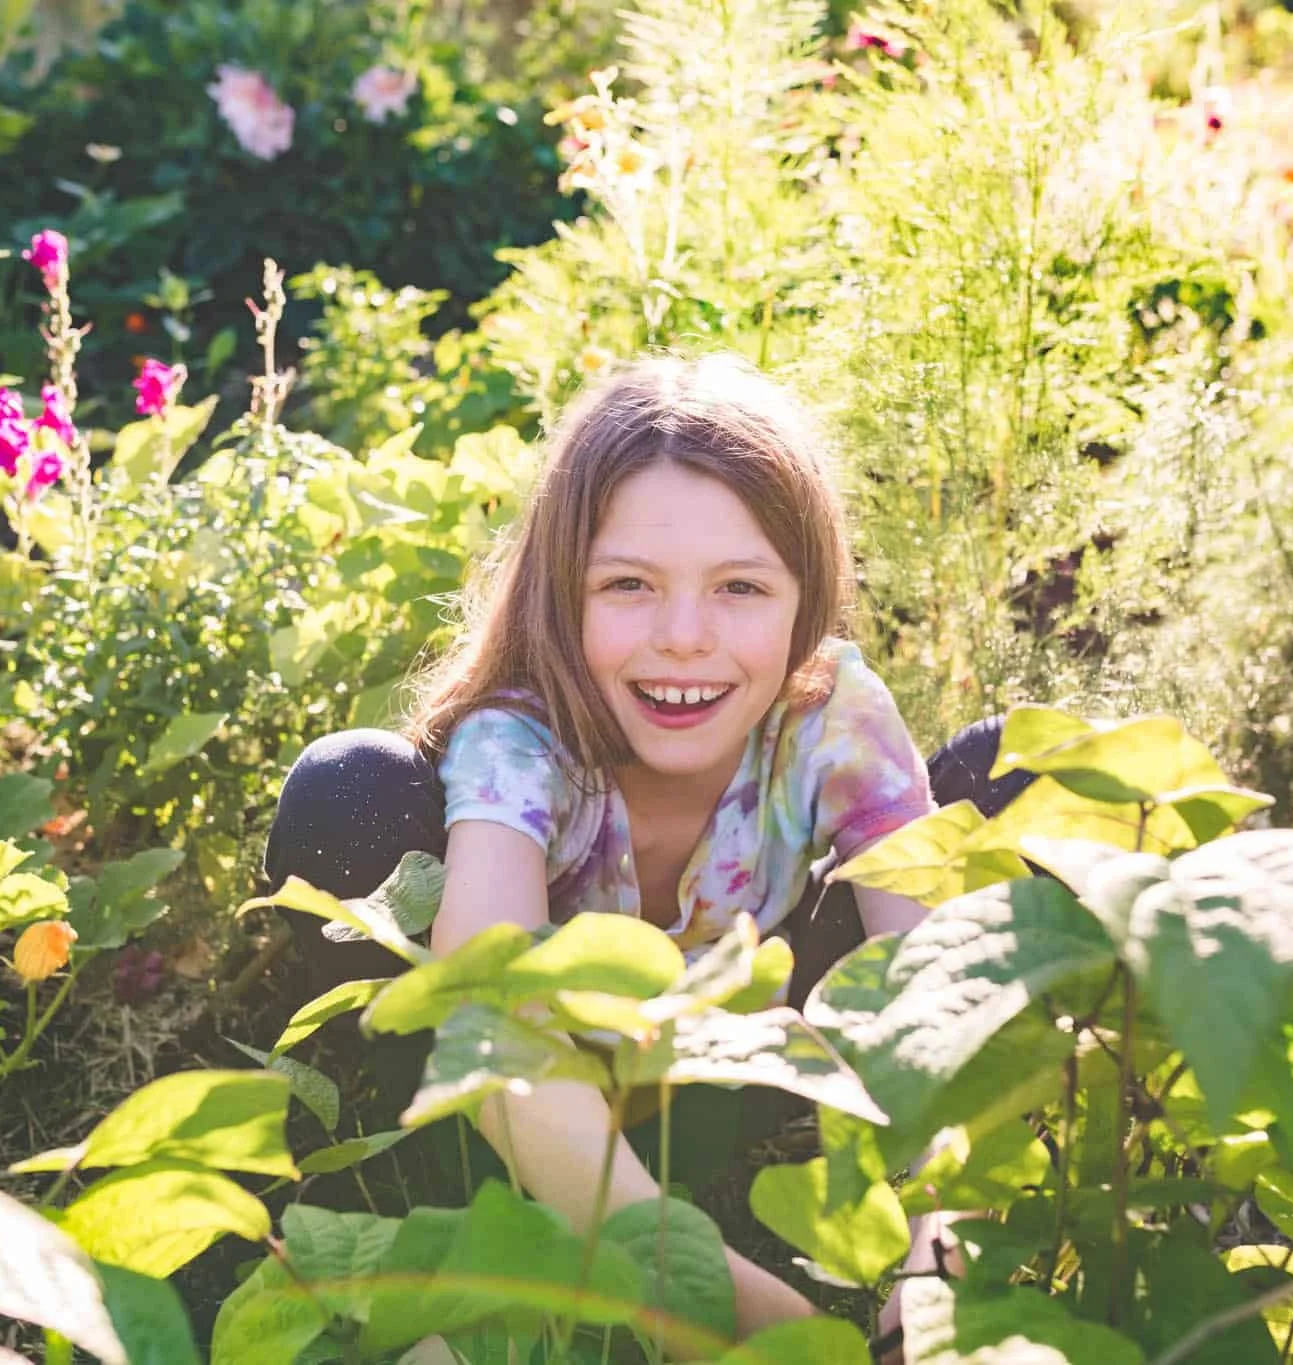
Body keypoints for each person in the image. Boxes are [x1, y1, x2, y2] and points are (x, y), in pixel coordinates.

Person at [264, 352, 1031, 1352]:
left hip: (737, 1065)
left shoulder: (832, 713)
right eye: (627, 584)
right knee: (349, 792)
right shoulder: (521, 739)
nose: (682, 637)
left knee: (1017, 779)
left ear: (807, 599)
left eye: (740, 588)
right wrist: (716, 1302)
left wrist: (940, 1254)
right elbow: (485, 995)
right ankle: (415, 1187)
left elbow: (943, 998)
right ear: (558, 596)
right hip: (519, 1104)